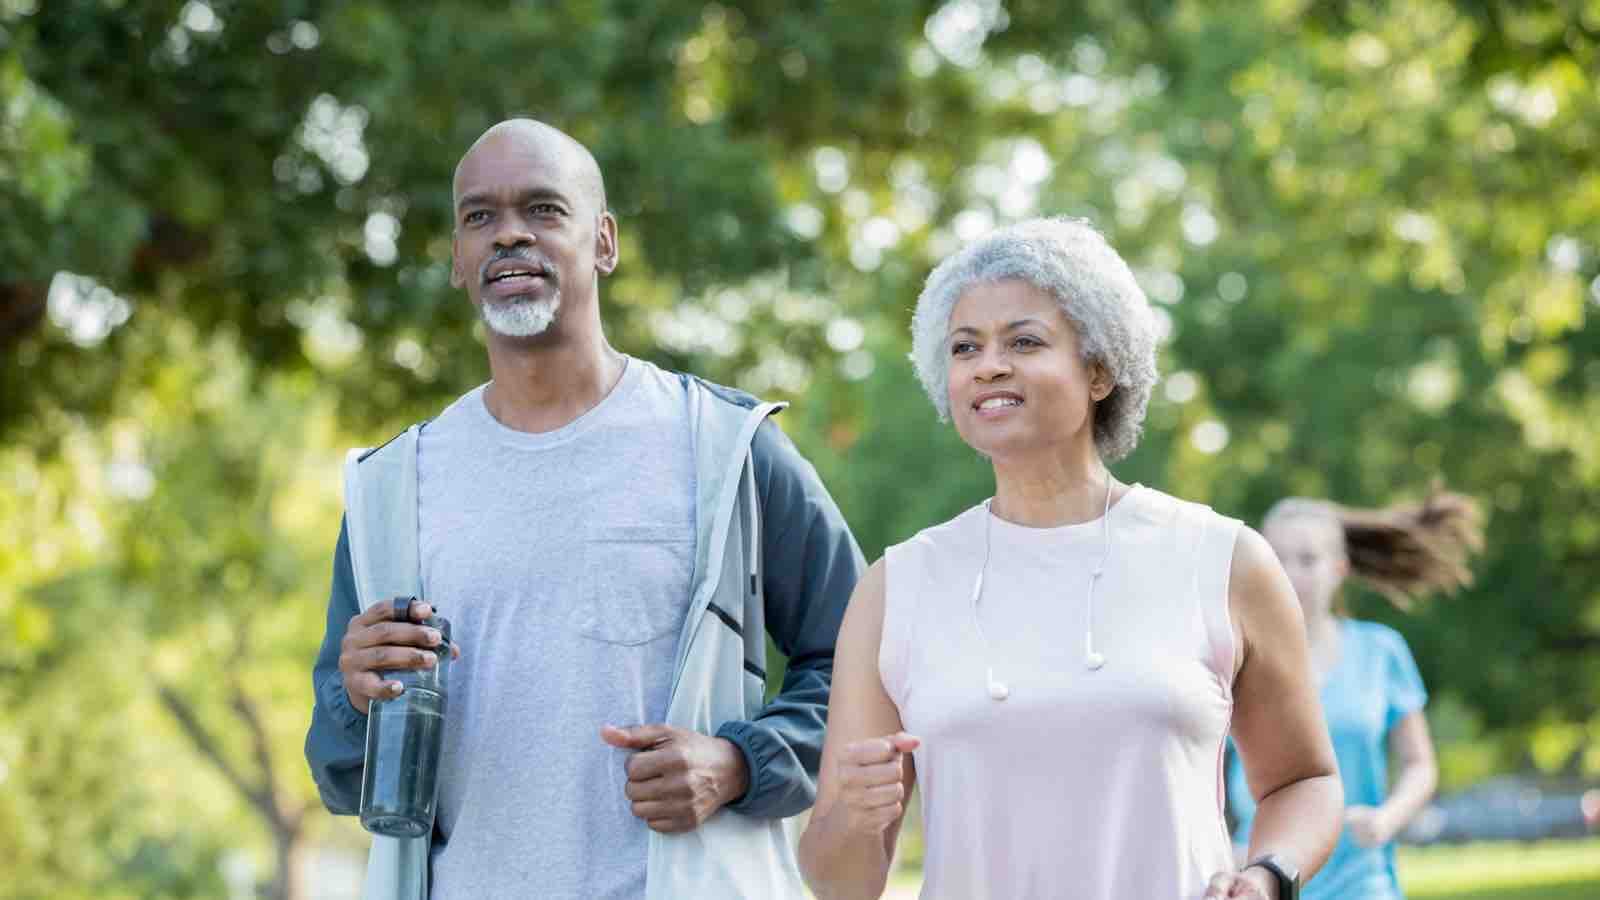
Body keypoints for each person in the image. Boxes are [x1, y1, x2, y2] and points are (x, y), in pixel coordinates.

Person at [303, 119, 864, 900]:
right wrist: (357, 700)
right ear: (459, 262)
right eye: (480, 218)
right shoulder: (391, 487)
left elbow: (867, 657)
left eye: (543, 210)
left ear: (603, 242)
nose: (509, 236)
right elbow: (339, 773)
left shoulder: (724, 448)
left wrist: (741, 763)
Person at [798, 217, 1345, 900]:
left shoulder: (1225, 560)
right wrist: (851, 812)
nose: (988, 364)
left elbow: (1306, 781)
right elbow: (839, 883)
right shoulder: (896, 588)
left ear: (1099, 369)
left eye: (1024, 341)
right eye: (965, 347)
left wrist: (1267, 877)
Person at [1227, 491, 1482, 900]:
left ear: (1339, 569)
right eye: (1278, 558)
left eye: (1307, 559)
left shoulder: (1382, 652)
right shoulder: (1237, 657)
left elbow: (1420, 765)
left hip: (1363, 882)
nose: (1291, 573)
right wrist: (1225, 846)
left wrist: (1386, 818)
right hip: (1266, 878)